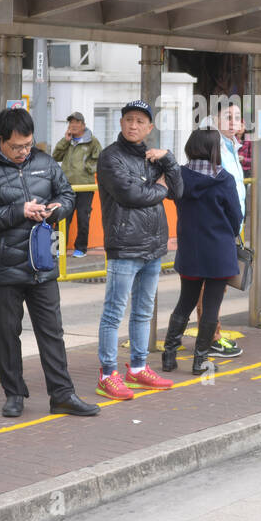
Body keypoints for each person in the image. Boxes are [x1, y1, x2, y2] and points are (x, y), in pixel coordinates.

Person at [0, 109, 99, 418]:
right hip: (5, 265)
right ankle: (14, 394)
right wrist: (17, 211)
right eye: (17, 146)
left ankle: (62, 394)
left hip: (42, 262)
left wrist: (57, 210)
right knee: (7, 332)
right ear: (0, 141)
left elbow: (66, 194)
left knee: (52, 331)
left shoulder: (45, 163)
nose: (24, 151)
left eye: (28, 144)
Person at [94, 100, 182, 400]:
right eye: (128, 119)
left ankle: (138, 368)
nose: (133, 125)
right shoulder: (110, 158)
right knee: (113, 313)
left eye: (140, 121)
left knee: (144, 311)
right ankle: (107, 374)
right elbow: (129, 195)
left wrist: (168, 160)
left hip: (154, 246)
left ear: (149, 128)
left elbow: (179, 190)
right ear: (121, 123)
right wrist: (161, 188)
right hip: (124, 245)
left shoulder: (154, 157)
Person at [160, 129, 245, 375]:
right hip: (218, 253)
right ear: (214, 149)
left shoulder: (181, 176)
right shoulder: (224, 178)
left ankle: (169, 355)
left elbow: (174, 199)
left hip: (190, 250)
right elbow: (235, 217)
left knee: (184, 303)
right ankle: (200, 361)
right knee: (211, 307)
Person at [194, 101, 247, 359]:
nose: (233, 121)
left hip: (230, 226)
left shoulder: (232, 146)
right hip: (217, 227)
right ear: (214, 119)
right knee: (210, 286)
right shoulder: (213, 146)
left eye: (237, 117)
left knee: (219, 286)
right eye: (227, 116)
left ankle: (210, 335)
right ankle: (210, 338)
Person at [52, 112, 101, 259]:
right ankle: (58, 248)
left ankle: (81, 248)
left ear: (83, 125)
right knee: (62, 217)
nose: (73, 125)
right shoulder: (68, 141)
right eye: (70, 123)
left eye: (76, 122)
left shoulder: (92, 141)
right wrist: (65, 141)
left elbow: (100, 160)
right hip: (66, 187)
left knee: (83, 218)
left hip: (85, 186)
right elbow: (55, 156)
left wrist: (88, 167)